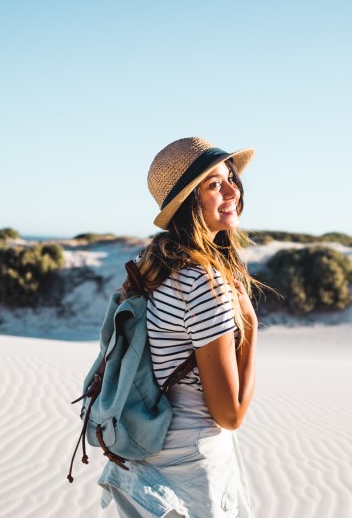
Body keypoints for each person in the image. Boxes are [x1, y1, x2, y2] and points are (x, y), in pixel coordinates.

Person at [97, 137, 259, 517]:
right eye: (214, 184)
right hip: (191, 467)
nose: (233, 190)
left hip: (145, 453)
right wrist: (249, 329)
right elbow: (230, 415)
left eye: (230, 177)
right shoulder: (202, 282)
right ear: (188, 204)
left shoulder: (151, 264)